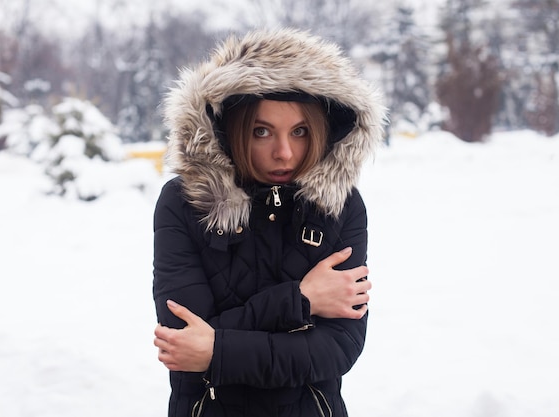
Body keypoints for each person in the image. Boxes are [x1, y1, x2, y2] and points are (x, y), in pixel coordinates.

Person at [153, 28, 386, 417]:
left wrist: (218, 349)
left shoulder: (340, 207)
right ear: (231, 130)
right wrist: (303, 300)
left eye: (300, 132)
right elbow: (184, 344)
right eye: (262, 131)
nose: (284, 152)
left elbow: (339, 347)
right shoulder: (185, 203)